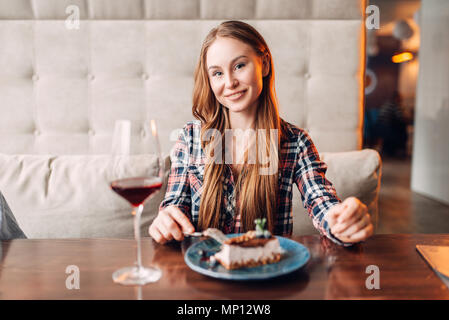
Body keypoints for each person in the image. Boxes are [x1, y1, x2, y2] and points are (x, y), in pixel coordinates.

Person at [149, 21, 373, 246]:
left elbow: (321, 202)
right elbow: (175, 205)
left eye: (239, 66)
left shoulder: (296, 142)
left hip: (267, 272)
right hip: (204, 270)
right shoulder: (190, 138)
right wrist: (166, 220)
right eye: (217, 73)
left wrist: (341, 221)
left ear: (264, 64)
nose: (230, 82)